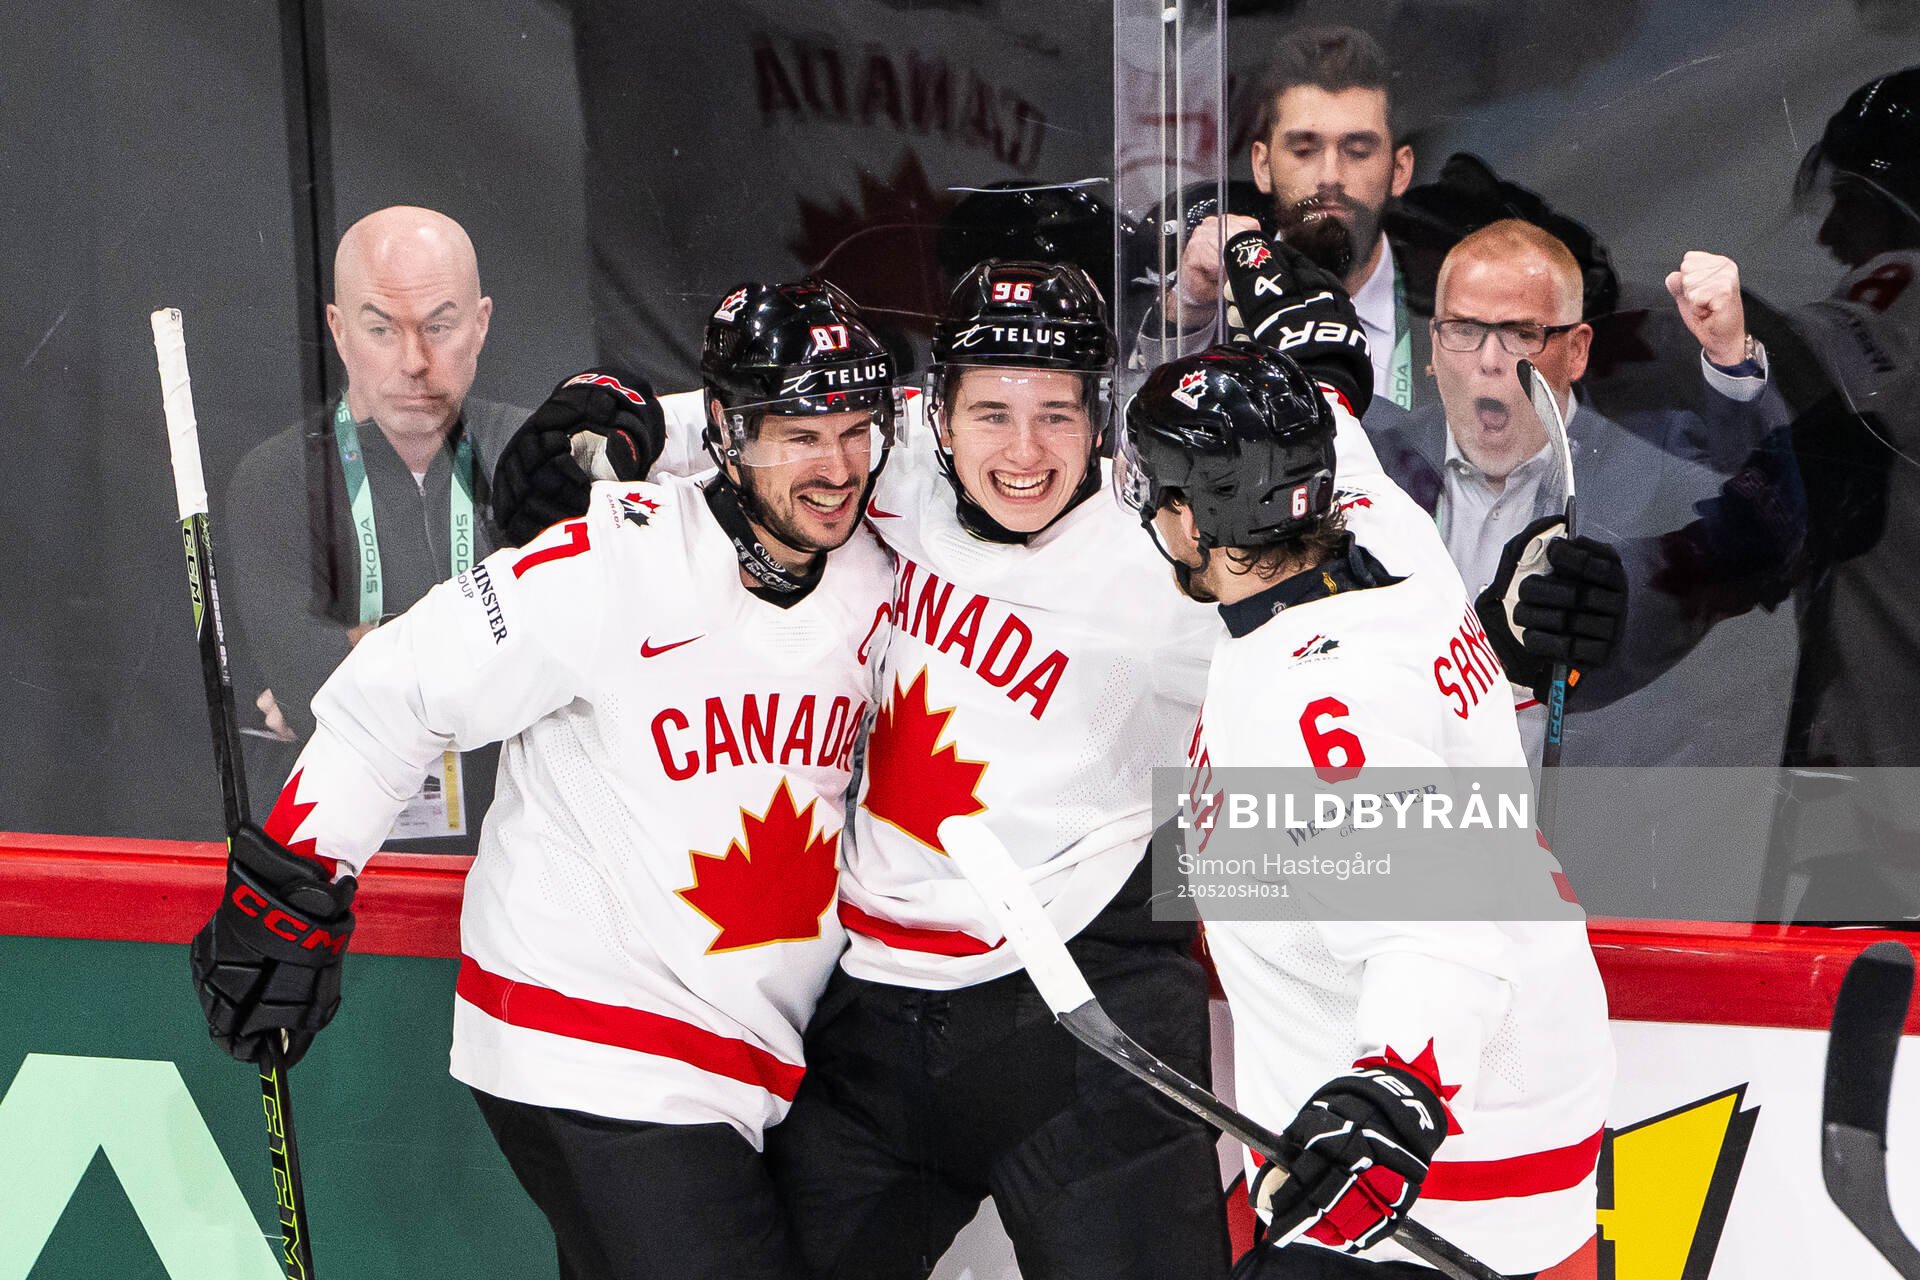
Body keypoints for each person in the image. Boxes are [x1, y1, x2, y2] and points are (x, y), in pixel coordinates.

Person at [489, 240, 1614, 1275]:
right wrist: (635, 420)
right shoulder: (887, 479)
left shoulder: (1183, 564)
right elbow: (778, 412)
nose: (1022, 454)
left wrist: (1515, 637)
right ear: (931, 414)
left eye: (1058, 414)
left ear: (1108, 422)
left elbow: (1370, 686)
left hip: (1083, 1020)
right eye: (990, 413)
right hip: (872, 1024)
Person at [189, 278, 901, 1280]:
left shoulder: (884, 564)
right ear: (738, 432)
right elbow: (395, 689)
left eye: (855, 429)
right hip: (592, 1043)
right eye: (797, 432)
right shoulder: (612, 556)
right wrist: (291, 888)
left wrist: (651, 414)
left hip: (753, 1055)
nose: (835, 466)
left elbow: (987, 427)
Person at [1124, 341, 1615, 1278]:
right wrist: (1296, 343)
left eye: (1156, 493)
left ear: (1191, 522)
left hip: (1432, 1190)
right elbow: (1329, 438)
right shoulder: (1394, 546)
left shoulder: (1310, 707)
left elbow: (1438, 932)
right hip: (1518, 1122)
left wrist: (1391, 1099)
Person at [225, 205, 525, 846]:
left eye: (439, 326)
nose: (414, 361)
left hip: (523, 846)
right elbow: (308, 674)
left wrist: (364, 658)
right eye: (381, 329)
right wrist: (498, 654)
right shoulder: (276, 478)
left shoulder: (534, 456)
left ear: (481, 324)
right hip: (349, 853)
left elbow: (575, 663)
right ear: (338, 331)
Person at [1140, 26, 1427, 412]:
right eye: (1304, 149)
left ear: (1400, 169)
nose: (1330, 176)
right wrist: (1188, 307)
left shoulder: (1450, 306)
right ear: (1262, 165)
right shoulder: (1210, 302)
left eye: (1357, 150)